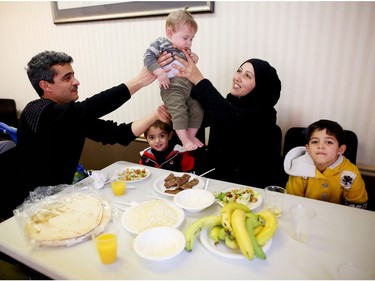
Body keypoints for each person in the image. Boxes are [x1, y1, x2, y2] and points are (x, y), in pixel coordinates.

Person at [4, 50, 170, 216]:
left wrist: (155, 115)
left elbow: (118, 134)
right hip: (23, 206)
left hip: (58, 199)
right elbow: (88, 108)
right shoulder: (35, 110)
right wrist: (139, 81)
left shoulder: (70, 117)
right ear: (45, 86)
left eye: (73, 75)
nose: (76, 82)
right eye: (67, 78)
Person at [162, 51, 283, 188]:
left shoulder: (264, 115)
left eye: (247, 76)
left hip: (247, 190)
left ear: (261, 87)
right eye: (239, 71)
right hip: (215, 183)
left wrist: (199, 80)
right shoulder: (229, 104)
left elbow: (233, 120)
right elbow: (199, 118)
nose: (238, 77)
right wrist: (175, 110)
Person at [143, 8, 204, 151]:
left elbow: (189, 65)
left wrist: (195, 58)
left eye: (191, 39)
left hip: (188, 85)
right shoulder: (162, 43)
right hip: (171, 86)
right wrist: (160, 73)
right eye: (185, 38)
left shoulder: (184, 50)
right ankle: (184, 140)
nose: (189, 42)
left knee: (198, 108)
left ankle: (191, 135)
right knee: (179, 111)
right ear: (170, 33)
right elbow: (148, 58)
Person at [283, 119, 368, 208]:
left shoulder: (351, 173)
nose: (320, 146)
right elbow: (292, 201)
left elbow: (357, 207)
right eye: (315, 141)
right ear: (308, 148)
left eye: (329, 142)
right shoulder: (299, 168)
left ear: (340, 149)